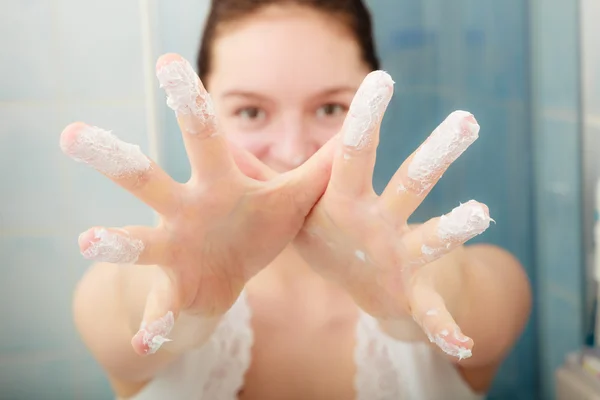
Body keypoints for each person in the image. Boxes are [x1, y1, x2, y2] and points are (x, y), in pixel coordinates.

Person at [60, 0, 532, 399]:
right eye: (250, 111)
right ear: (200, 108)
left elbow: (477, 300)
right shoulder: (122, 294)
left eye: (330, 108)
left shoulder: (473, 285)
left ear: (375, 103)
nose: (291, 150)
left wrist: (417, 291)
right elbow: (123, 316)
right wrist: (183, 312)